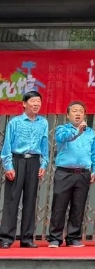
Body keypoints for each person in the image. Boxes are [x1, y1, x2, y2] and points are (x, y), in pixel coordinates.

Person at [0, 91, 49, 249]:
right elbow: (7, 145)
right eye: (33, 101)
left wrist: (43, 164)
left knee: (30, 200)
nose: (36, 104)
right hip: (17, 160)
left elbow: (45, 145)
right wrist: (8, 166)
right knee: (12, 200)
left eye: (38, 101)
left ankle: (27, 238)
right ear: (24, 103)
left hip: (34, 162)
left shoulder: (43, 122)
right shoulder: (15, 122)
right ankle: (6, 238)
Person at [47, 101, 95, 248]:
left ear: (85, 115)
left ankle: (73, 237)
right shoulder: (62, 129)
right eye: (74, 111)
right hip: (64, 173)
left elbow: (94, 152)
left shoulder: (91, 133)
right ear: (68, 115)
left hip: (83, 173)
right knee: (59, 206)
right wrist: (78, 132)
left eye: (80, 111)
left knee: (78, 206)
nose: (78, 113)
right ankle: (55, 238)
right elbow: (63, 138)